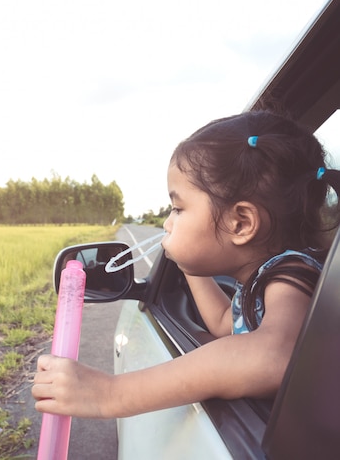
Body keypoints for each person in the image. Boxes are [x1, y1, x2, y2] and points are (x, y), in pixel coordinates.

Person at [32, 110, 340, 419]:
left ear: (241, 223)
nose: (166, 224)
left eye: (178, 208)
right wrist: (187, 266)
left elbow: (276, 355)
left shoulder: (291, 276)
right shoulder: (262, 281)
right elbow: (224, 324)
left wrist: (112, 394)